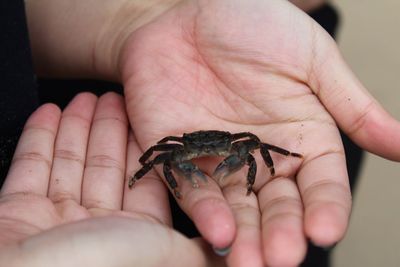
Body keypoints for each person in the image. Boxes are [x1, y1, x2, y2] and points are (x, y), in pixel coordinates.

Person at [1, 0, 400, 266]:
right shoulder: (180, 146)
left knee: (280, 232)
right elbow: (159, 151)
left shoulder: (236, 141)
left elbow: (258, 145)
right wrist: (144, 171)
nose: (207, 151)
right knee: (163, 158)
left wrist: (136, 22)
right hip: (85, 134)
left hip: (171, 59)